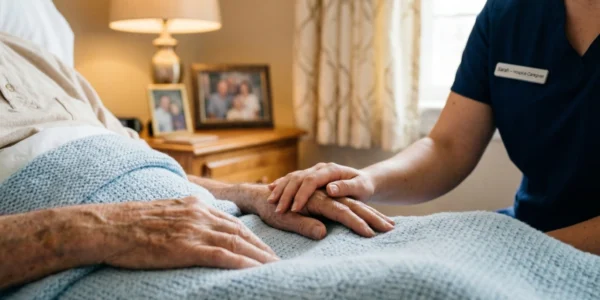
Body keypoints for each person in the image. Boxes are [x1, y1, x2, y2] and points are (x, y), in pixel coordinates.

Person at [0, 32, 394, 289]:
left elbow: (142, 156)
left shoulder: (36, 59)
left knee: (399, 252)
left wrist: (252, 194)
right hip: (89, 260)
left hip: (206, 218)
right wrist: (107, 230)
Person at [267, 0, 600, 255]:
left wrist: (521, 250)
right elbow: (447, 147)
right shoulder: (508, 14)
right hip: (524, 230)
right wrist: (365, 181)